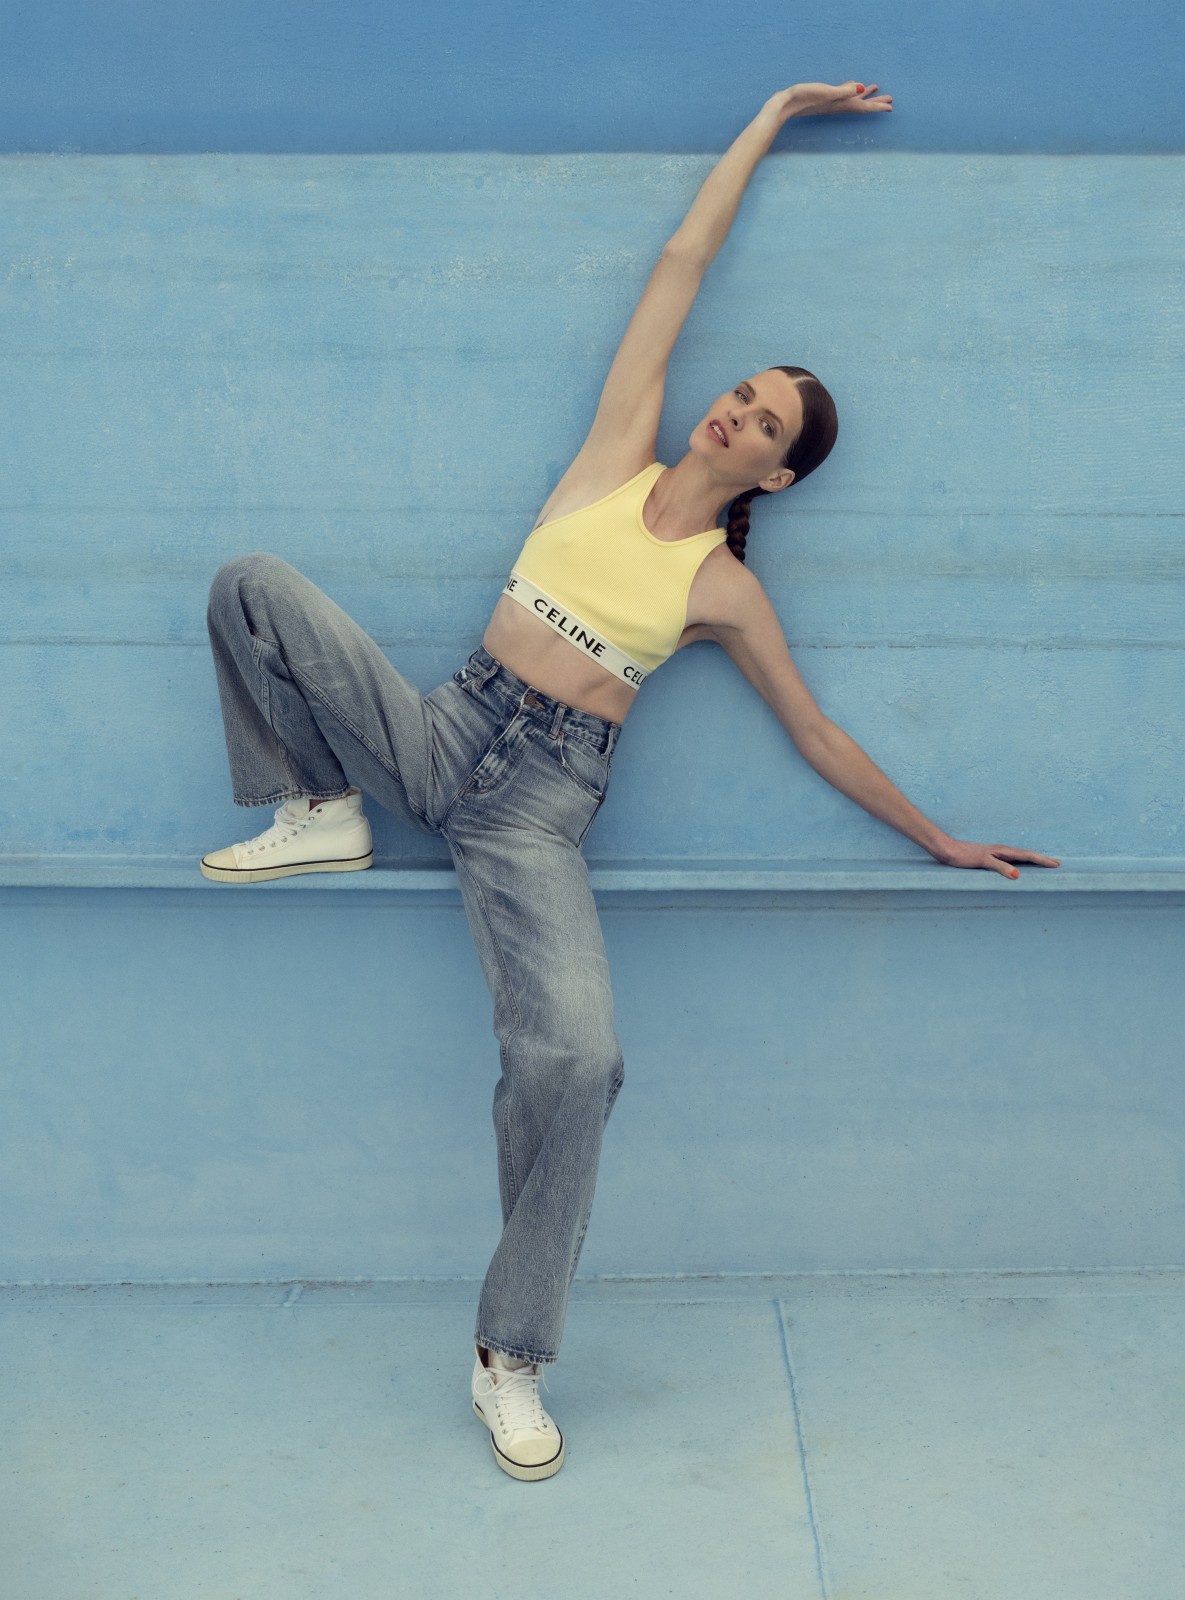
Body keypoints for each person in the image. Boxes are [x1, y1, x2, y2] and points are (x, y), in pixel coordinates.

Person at [200, 78, 1059, 1483]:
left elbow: (816, 733)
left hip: (538, 810)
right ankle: (321, 809)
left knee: (579, 1061)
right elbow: (680, 262)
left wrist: (941, 837)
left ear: (777, 478)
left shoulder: (721, 590)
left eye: (764, 425)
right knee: (251, 585)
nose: (735, 415)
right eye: (741, 394)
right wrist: (773, 115)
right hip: (442, 731)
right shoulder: (613, 456)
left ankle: (511, 1356)